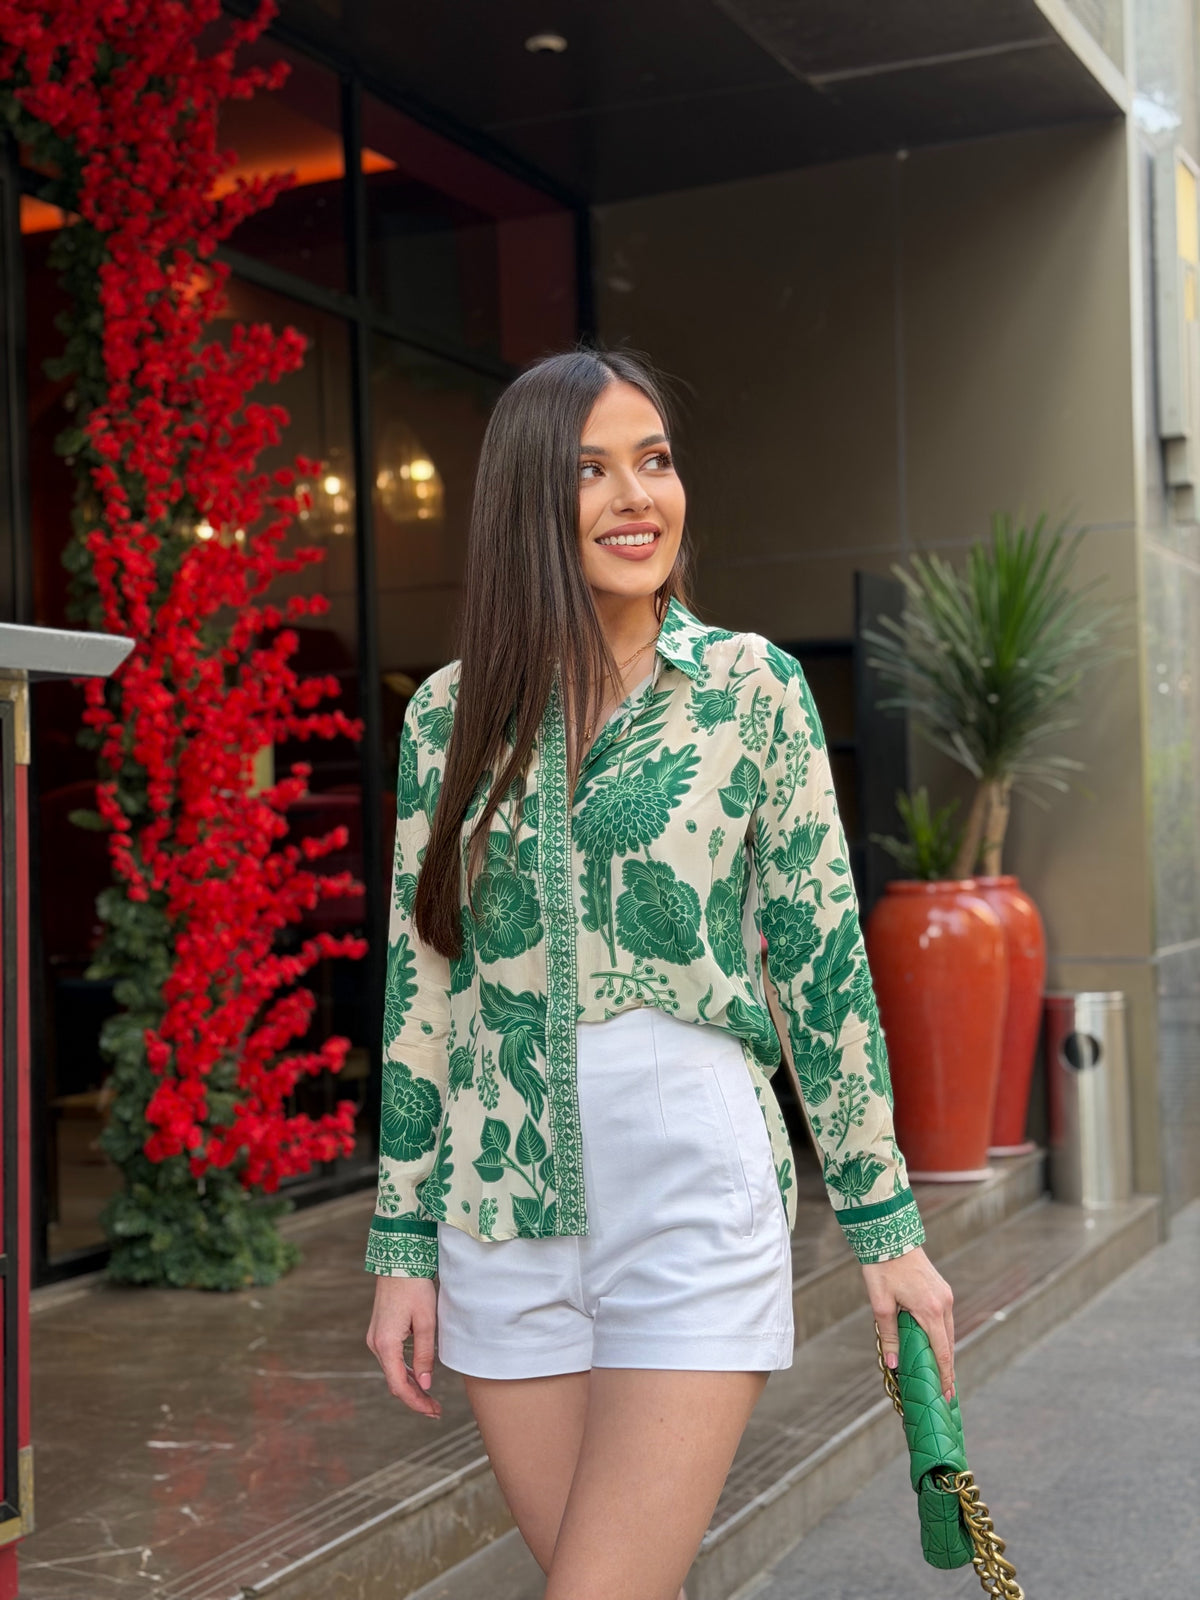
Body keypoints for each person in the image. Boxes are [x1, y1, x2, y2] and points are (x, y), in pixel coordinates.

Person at [364, 347, 955, 1600]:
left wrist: (884, 1220)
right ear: (530, 497)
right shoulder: (447, 718)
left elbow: (820, 964)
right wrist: (402, 1241)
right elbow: (425, 993)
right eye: (591, 470)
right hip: (498, 1211)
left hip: (692, 1191)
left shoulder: (751, 691)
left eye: (656, 460)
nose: (639, 496)